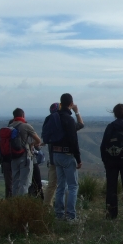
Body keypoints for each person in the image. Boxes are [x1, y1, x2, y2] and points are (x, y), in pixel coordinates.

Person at [44, 102, 85, 208]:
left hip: (54, 158)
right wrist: (76, 112)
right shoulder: (65, 122)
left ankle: (49, 208)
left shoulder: (50, 122)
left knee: (54, 185)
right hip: (66, 156)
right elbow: (81, 124)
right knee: (71, 186)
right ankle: (69, 212)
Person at [52, 93, 83, 221]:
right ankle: (71, 216)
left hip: (55, 154)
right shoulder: (68, 119)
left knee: (60, 186)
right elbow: (73, 141)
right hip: (67, 155)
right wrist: (78, 159)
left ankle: (58, 214)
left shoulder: (54, 117)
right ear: (71, 104)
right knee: (73, 186)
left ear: (60, 103)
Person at [9, 108, 42, 197]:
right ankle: (21, 204)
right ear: (23, 115)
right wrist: (31, 144)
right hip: (25, 157)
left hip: (13, 157)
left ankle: (14, 203)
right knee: (25, 182)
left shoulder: (9, 127)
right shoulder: (26, 126)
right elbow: (38, 140)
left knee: (15, 182)